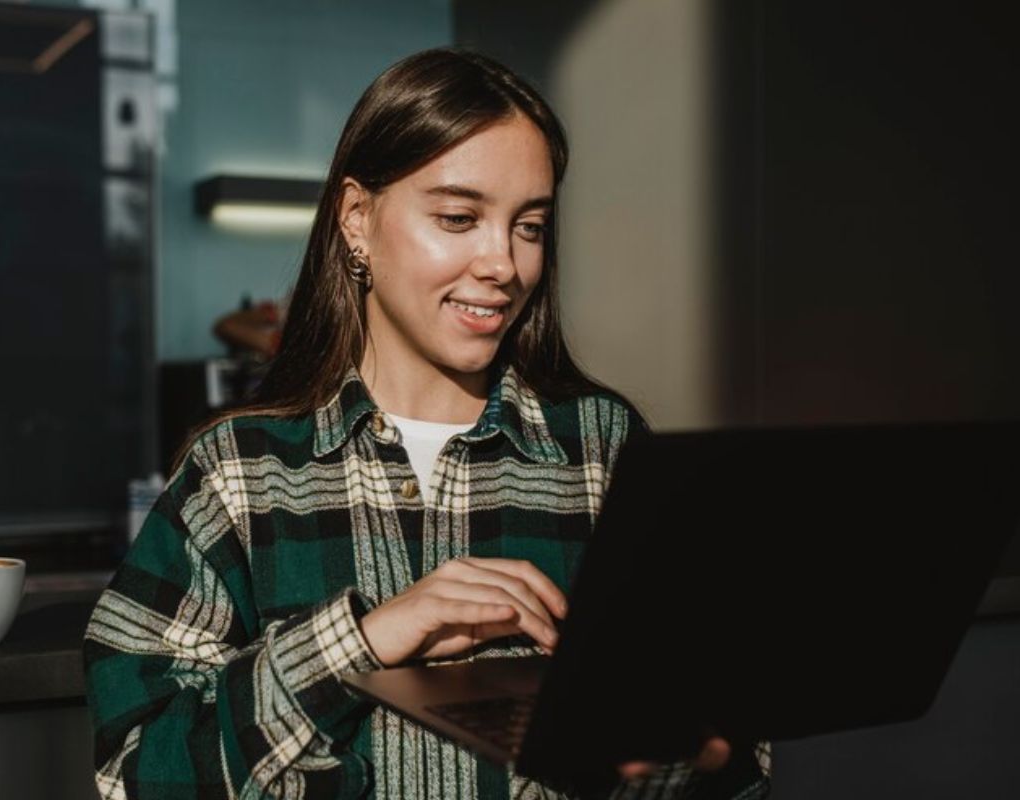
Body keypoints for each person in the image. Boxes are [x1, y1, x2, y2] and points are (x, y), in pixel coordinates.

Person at [84, 48, 772, 800]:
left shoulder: (602, 455)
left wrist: (694, 756)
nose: (503, 263)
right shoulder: (239, 474)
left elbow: (734, 759)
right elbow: (135, 775)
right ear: (357, 218)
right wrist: (362, 641)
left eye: (530, 227)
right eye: (459, 217)